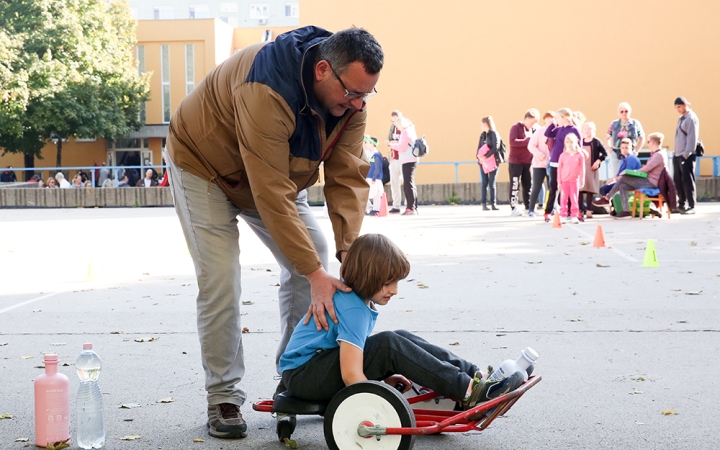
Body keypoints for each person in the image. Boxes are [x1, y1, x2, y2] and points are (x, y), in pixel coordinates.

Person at [164, 26, 383, 439]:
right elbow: (269, 192)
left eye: (366, 95)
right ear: (323, 70)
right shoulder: (265, 87)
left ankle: (297, 374)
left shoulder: (351, 103)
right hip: (205, 167)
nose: (357, 104)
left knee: (315, 256)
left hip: (276, 175)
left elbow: (348, 179)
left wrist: (349, 255)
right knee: (221, 277)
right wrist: (316, 274)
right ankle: (223, 397)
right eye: (352, 93)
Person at [280, 233, 525, 406]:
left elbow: (354, 357)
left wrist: (383, 376)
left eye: (397, 282)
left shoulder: (355, 301)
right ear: (366, 277)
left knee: (399, 337)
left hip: (311, 370)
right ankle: (468, 389)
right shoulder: (353, 309)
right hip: (304, 377)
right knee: (389, 343)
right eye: (388, 283)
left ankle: (476, 376)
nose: (395, 290)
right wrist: (379, 401)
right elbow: (351, 375)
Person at [593, 133, 668, 219]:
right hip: (648, 181)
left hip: (653, 183)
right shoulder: (655, 154)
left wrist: (635, 171)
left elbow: (647, 169)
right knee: (623, 186)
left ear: (653, 142)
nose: (647, 143)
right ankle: (626, 211)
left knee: (624, 177)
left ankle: (607, 198)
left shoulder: (658, 155)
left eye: (648, 141)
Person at [543, 108, 581, 222]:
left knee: (568, 188)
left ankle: (570, 211)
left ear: (565, 118)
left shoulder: (574, 130)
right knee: (553, 187)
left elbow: (580, 148)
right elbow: (547, 133)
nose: (556, 120)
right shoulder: (558, 129)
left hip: (568, 163)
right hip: (555, 161)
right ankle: (548, 212)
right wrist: (553, 124)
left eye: (558, 118)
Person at [508, 109, 539, 215]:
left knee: (528, 185)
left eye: (535, 123)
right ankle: (514, 207)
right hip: (516, 161)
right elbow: (512, 142)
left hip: (528, 162)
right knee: (515, 184)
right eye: (532, 122)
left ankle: (529, 207)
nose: (533, 125)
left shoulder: (534, 130)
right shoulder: (516, 128)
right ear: (527, 119)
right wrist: (527, 141)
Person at [673, 97, 700, 215]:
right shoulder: (681, 118)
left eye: (679, 107)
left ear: (685, 105)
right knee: (678, 181)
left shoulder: (690, 118)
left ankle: (692, 205)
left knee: (687, 181)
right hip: (678, 154)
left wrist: (687, 153)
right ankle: (681, 204)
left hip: (686, 155)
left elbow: (692, 137)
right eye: (676, 107)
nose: (678, 109)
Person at [527, 111, 555, 217]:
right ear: (544, 120)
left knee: (552, 187)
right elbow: (531, 146)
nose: (550, 120)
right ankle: (531, 209)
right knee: (536, 187)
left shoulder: (556, 131)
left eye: (552, 118)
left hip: (551, 164)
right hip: (539, 164)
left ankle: (550, 209)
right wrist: (539, 154)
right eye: (548, 118)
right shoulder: (539, 132)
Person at [606, 102, 644, 178]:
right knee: (616, 177)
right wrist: (610, 151)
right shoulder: (614, 124)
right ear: (618, 113)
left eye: (626, 111)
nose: (624, 113)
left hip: (630, 154)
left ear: (629, 111)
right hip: (616, 154)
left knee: (629, 177)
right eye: (622, 111)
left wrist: (636, 151)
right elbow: (607, 138)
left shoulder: (635, 124)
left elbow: (642, 137)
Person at [579, 122, 608, 219]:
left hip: (592, 169)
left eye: (590, 129)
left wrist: (598, 161)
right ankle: (580, 210)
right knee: (579, 190)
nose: (588, 131)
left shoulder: (596, 142)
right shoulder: (580, 142)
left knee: (590, 190)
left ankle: (589, 210)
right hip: (580, 169)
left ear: (594, 130)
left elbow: (605, 153)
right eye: (586, 129)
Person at [392, 116, 418, 215]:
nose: (397, 128)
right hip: (412, 159)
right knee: (411, 183)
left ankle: (410, 208)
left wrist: (392, 145)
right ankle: (413, 207)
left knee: (408, 184)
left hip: (407, 160)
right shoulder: (411, 130)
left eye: (397, 126)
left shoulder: (405, 132)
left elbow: (402, 148)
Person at [557, 134, 585, 224]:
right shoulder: (563, 155)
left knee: (574, 198)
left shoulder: (579, 155)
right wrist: (559, 182)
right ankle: (563, 215)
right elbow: (559, 169)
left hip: (574, 181)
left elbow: (582, 169)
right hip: (564, 180)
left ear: (576, 142)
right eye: (567, 142)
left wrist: (582, 180)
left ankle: (574, 215)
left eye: (571, 142)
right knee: (564, 198)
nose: (569, 144)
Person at [477, 116, 502, 211]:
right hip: (483, 163)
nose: (481, 126)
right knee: (484, 183)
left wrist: (486, 156)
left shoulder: (494, 134)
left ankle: (493, 203)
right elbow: (478, 148)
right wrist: (479, 158)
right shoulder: (482, 135)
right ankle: (483, 203)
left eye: (482, 124)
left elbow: (496, 147)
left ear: (486, 124)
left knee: (492, 183)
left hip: (493, 161)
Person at [386, 110, 404, 213]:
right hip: (393, 158)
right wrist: (389, 143)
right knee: (394, 183)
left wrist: (395, 143)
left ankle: (409, 205)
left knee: (406, 182)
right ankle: (396, 205)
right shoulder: (392, 128)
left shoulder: (405, 128)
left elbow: (406, 142)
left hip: (403, 158)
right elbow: (389, 140)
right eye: (392, 121)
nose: (394, 123)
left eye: (396, 120)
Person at [363, 136, 384, 216]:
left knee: (377, 194)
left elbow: (377, 168)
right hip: (369, 177)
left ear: (372, 144)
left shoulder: (376, 155)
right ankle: (373, 209)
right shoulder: (370, 154)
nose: (366, 145)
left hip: (375, 178)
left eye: (368, 143)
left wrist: (374, 178)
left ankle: (376, 209)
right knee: (372, 194)